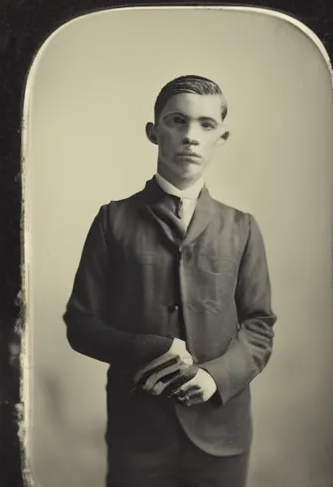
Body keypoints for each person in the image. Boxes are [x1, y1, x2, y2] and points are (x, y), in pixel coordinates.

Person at [63, 74, 277, 487]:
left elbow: (259, 327)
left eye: (206, 125)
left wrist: (215, 377)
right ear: (153, 131)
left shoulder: (242, 227)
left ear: (222, 137)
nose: (191, 137)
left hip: (221, 434)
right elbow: (81, 324)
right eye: (177, 121)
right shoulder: (114, 219)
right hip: (138, 435)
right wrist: (152, 348)